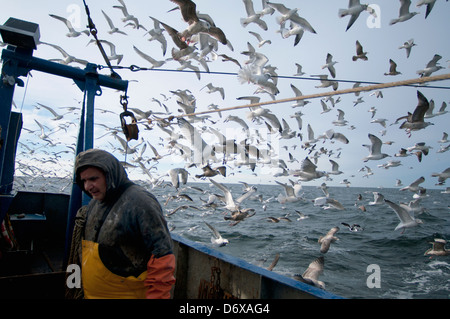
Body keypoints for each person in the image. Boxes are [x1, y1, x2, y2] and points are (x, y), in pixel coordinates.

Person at [71, 148, 175, 299]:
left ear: (109, 174)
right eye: (84, 181)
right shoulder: (95, 202)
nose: (87, 187)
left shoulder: (140, 202)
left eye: (93, 179)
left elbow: (162, 256)